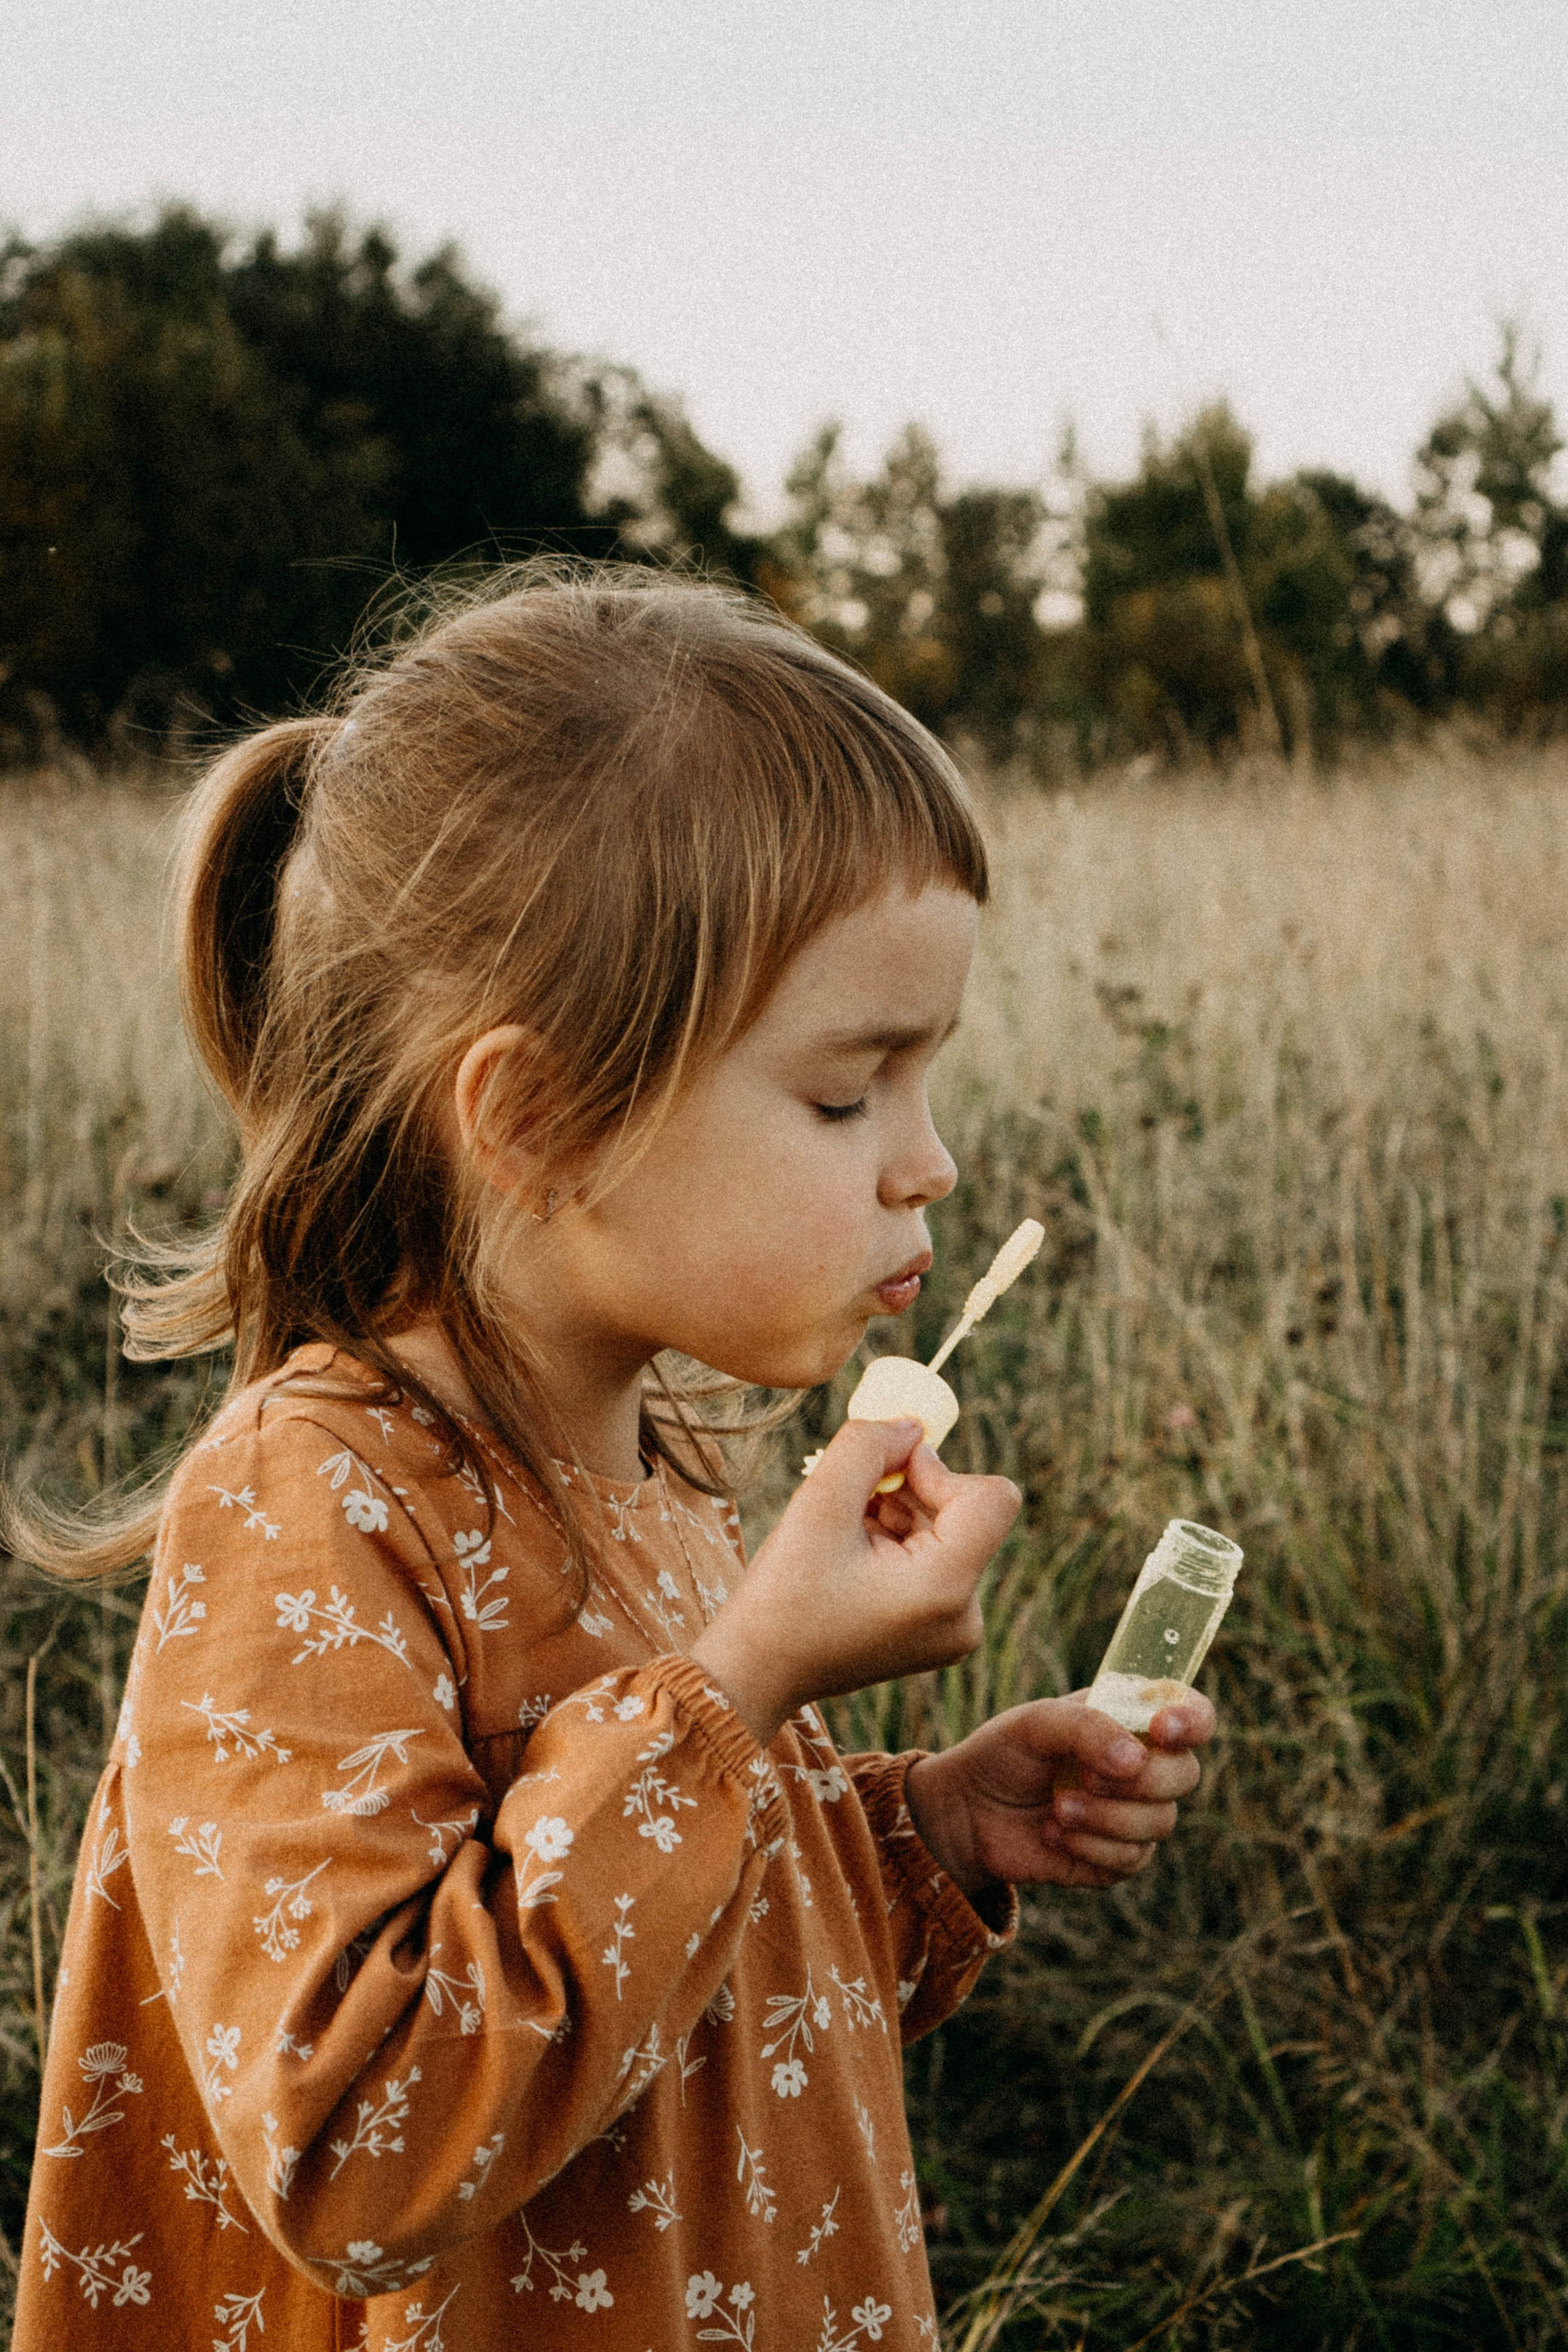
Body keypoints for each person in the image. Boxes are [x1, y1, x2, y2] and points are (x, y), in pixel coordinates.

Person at [9, 570, 1215, 2351]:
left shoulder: (660, 1468)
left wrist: (932, 1833)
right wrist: (743, 1687)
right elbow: (360, 2147)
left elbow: (674, 1988)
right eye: (844, 1094)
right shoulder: (310, 1508)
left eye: (925, 1079)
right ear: (536, 1116)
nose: (928, 1163)